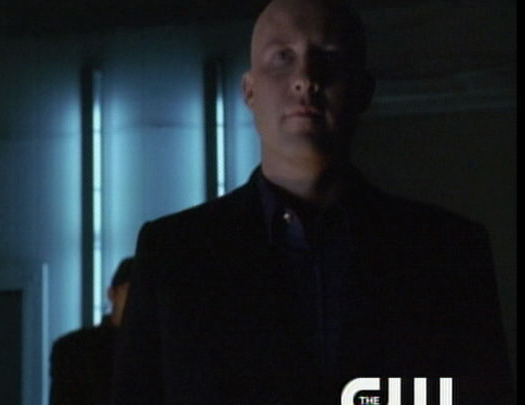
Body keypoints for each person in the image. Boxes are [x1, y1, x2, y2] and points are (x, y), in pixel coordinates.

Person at [111, 1, 512, 404]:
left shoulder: (448, 250)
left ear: (363, 90)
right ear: (249, 91)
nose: (305, 78)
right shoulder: (174, 253)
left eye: (328, 57)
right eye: (282, 57)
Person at [50, 258, 133, 405]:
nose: (135, 301)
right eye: (129, 291)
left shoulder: (156, 351)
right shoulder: (74, 349)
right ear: (112, 294)